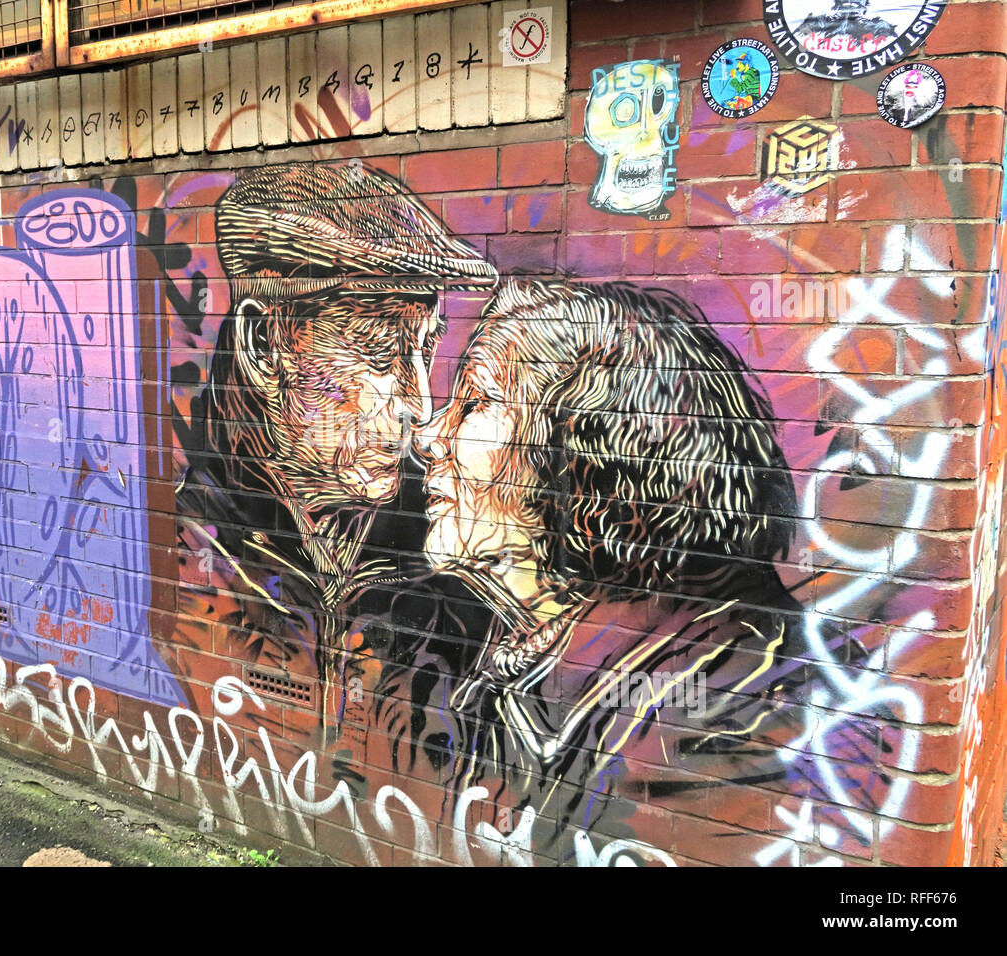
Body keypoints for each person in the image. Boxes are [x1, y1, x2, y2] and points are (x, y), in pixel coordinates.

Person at [412, 278, 884, 862]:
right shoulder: (536, 665)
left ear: (585, 449)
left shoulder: (744, 700)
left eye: (477, 402)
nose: (428, 436)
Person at [170, 161, 496, 763]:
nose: (417, 402)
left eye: (424, 350)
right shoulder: (182, 548)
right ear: (265, 347)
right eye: (378, 351)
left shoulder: (450, 548)